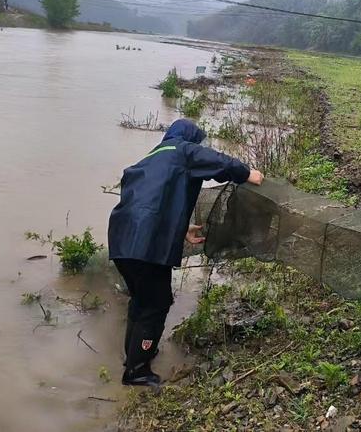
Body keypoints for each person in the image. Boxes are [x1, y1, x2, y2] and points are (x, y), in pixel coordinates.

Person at [108, 119, 264, 386]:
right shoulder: (183, 150)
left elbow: (150, 202)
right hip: (147, 246)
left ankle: (134, 354)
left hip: (120, 240)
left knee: (141, 299)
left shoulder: (147, 160)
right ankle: (137, 371)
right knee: (156, 304)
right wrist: (247, 173)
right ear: (189, 139)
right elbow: (220, 162)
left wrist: (179, 229)